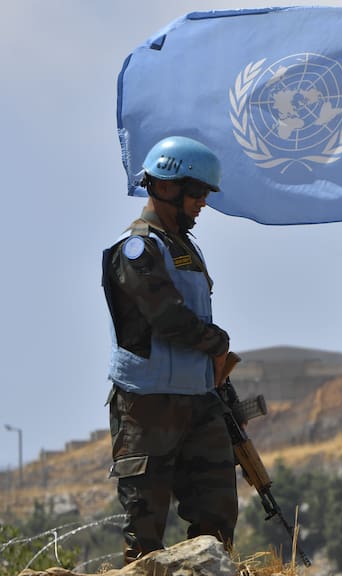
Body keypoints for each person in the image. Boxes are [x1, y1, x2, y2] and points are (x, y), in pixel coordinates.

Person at [101, 135, 237, 564]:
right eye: (196, 192)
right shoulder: (138, 248)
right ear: (163, 187)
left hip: (199, 401)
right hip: (149, 406)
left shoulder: (185, 248)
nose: (202, 204)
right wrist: (219, 342)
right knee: (145, 535)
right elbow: (168, 319)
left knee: (217, 522)